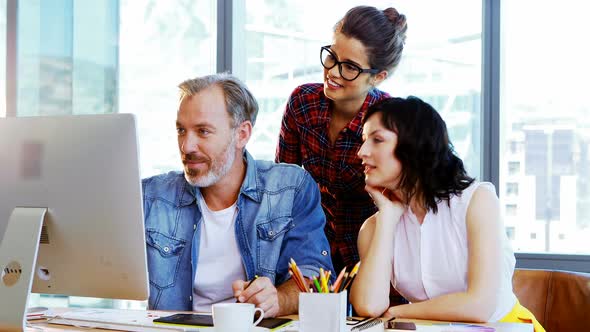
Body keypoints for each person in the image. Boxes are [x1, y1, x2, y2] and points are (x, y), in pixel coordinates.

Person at [142, 74, 333, 317]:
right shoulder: (150, 196)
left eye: (202, 131)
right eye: (181, 130)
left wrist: (280, 299)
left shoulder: (290, 187)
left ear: (242, 134)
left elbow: (314, 273)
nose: (186, 146)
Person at [350, 97, 545, 331]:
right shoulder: (374, 227)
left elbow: (479, 305)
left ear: (415, 145)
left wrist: (397, 312)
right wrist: (388, 218)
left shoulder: (476, 200)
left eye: (377, 140)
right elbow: (369, 307)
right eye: (363, 141)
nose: (362, 152)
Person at [275, 5, 408, 272]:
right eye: (332, 57)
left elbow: (401, 205)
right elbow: (283, 185)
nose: (333, 72)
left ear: (378, 77)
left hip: (375, 258)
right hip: (310, 256)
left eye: (349, 67)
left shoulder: (391, 121)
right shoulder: (303, 104)